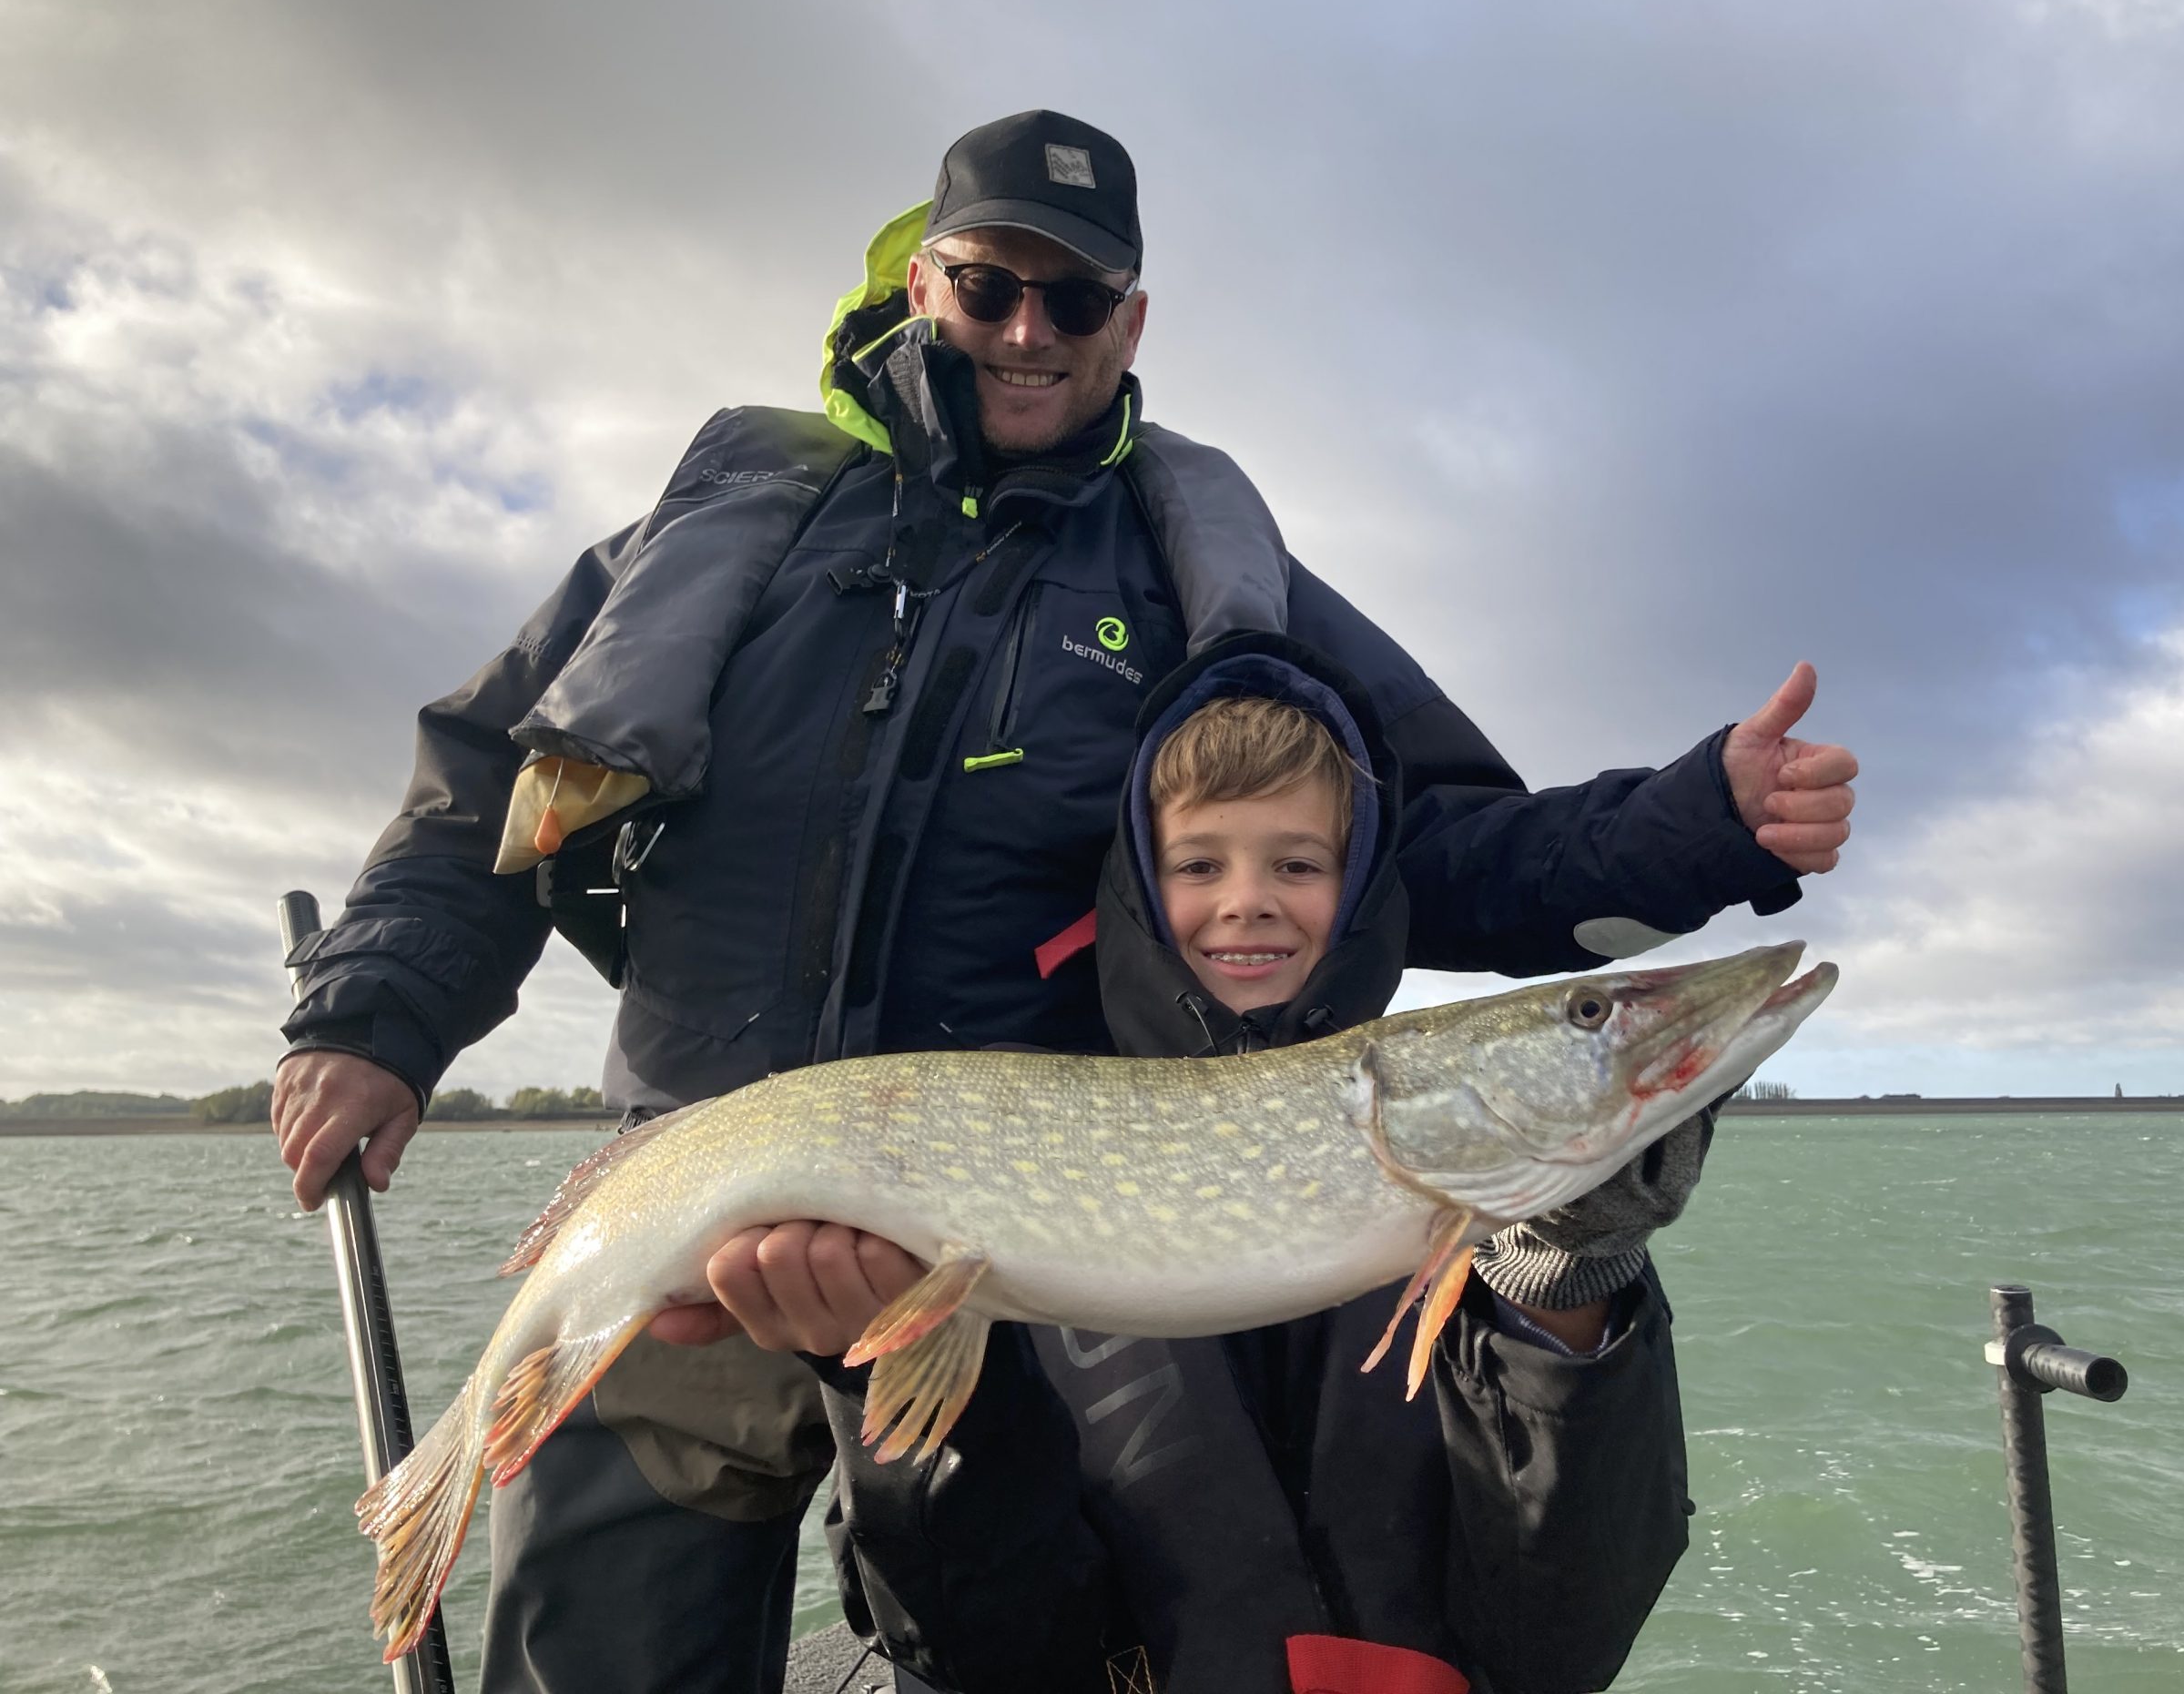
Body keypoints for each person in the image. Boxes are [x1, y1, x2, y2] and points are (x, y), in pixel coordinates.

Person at [270, 109, 1858, 1691]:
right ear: (923, 285)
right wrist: (377, 1012)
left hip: (1022, 1280)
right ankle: (446, 1481)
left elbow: (1409, 836)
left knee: (988, 1638)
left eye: (1079, 299)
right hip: (698, 1202)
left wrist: (1689, 828)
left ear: (1134, 319)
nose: (1032, 331)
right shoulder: (736, 528)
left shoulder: (1200, 573)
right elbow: (492, 769)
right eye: (991, 286)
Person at [787, 635, 1727, 1694]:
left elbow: (1560, 1644)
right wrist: (858, 1358)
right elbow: (984, 1650)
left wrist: (1571, 1287)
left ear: (1360, 882)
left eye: (1298, 863)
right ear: (1139, 888)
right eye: (1197, 865)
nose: (1248, 901)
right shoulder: (1007, 1147)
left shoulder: (1483, 1224)